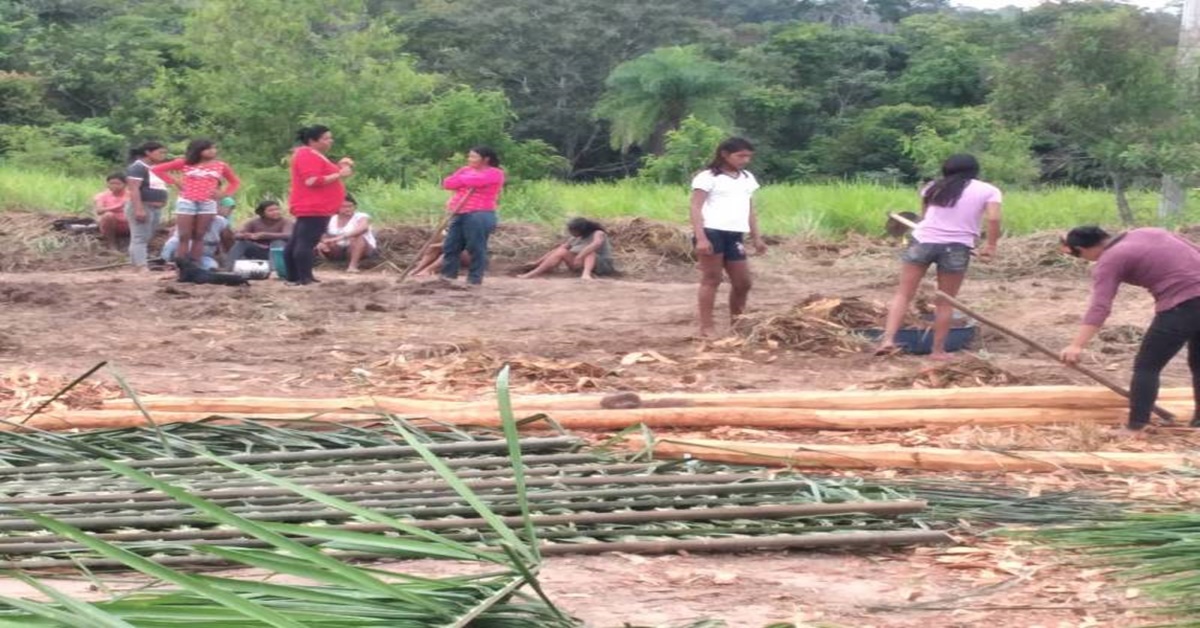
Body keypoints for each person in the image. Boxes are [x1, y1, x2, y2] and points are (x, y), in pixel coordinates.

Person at [1059, 226, 1200, 434]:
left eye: (1078, 255)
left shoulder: (1109, 260)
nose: (1085, 260)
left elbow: (1100, 307)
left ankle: (1136, 426)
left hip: (1182, 304)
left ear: (1082, 249)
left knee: (1146, 366)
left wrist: (1076, 345)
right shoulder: (1147, 232)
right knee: (1198, 362)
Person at [874, 154, 1001, 359]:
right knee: (945, 301)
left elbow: (925, 217)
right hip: (956, 247)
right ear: (974, 170)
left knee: (904, 294)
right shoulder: (989, 190)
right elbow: (994, 219)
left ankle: (888, 340)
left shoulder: (932, 187)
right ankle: (938, 351)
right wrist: (991, 245)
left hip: (923, 241)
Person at [690, 137, 767, 338]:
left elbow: (750, 208)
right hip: (712, 231)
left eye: (748, 156)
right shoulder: (707, 177)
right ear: (724, 154)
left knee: (743, 282)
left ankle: (737, 323)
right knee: (712, 279)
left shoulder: (747, 177)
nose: (745, 160)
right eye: (740, 155)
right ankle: (706, 327)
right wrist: (701, 237)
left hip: (735, 234)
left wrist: (756, 237)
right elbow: (695, 207)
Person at [152, 139, 240, 264]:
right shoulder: (185, 163)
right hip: (187, 200)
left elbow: (235, 182)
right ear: (198, 150)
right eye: (208, 148)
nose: (213, 151)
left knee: (199, 236)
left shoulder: (220, 165)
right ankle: (181, 266)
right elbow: (157, 169)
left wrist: (223, 194)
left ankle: (194, 264)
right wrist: (175, 182)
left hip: (207, 202)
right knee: (184, 236)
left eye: (214, 148)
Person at [287, 125, 353, 285]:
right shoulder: (306, 155)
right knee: (306, 243)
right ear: (312, 141)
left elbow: (324, 175)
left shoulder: (312, 155)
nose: (330, 141)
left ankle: (297, 276)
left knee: (298, 241)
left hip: (316, 206)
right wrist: (339, 174)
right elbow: (311, 180)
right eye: (326, 138)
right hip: (313, 206)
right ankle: (303, 277)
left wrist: (341, 166)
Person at [441, 146, 505, 285]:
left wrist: (463, 181)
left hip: (479, 214)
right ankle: (447, 277)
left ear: (486, 159)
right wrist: (467, 179)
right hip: (458, 212)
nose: (470, 159)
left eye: (474, 157)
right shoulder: (465, 170)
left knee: (475, 247)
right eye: (469, 156)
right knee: (450, 246)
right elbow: (447, 183)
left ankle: (474, 279)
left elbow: (477, 181)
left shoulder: (495, 172)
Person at [519, 218, 616, 280]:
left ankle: (586, 275)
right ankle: (534, 273)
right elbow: (558, 250)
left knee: (589, 252)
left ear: (582, 229)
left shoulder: (598, 233)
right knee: (561, 251)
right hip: (579, 264)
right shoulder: (575, 238)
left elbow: (596, 244)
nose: (570, 232)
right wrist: (537, 262)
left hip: (602, 265)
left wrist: (580, 256)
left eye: (573, 230)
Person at [124, 142, 170, 270]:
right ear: (148, 153)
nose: (163, 155)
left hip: (155, 208)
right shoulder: (138, 167)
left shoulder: (156, 168)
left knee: (145, 236)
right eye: (160, 152)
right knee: (140, 237)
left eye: (164, 153)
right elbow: (134, 189)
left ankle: (137, 264)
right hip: (144, 205)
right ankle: (141, 265)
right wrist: (139, 209)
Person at [161, 197, 235, 270]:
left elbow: (227, 242)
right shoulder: (188, 218)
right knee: (173, 242)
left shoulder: (220, 222)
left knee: (211, 267)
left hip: (204, 256)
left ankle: (193, 265)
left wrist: (229, 259)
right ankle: (166, 261)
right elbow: (174, 235)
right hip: (181, 252)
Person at [225, 200, 293, 270]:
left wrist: (264, 235)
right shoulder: (254, 222)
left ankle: (274, 269)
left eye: (277, 209)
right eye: (271, 210)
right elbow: (236, 235)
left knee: (278, 242)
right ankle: (229, 267)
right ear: (262, 213)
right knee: (242, 243)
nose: (276, 212)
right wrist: (246, 236)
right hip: (259, 251)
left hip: (279, 253)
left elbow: (288, 235)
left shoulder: (286, 221)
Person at [317, 194, 377, 272]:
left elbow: (363, 228)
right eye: (344, 207)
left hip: (360, 249)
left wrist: (339, 238)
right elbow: (321, 233)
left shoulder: (360, 216)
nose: (348, 209)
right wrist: (322, 242)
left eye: (350, 206)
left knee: (358, 237)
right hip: (337, 250)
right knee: (324, 239)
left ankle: (353, 266)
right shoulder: (331, 218)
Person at [93, 173, 129, 248]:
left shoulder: (131, 195)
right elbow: (99, 211)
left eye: (118, 183)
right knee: (109, 215)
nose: (114, 186)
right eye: (111, 183)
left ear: (125, 184)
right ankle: (111, 244)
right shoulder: (101, 196)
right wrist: (119, 206)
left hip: (129, 225)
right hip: (111, 226)